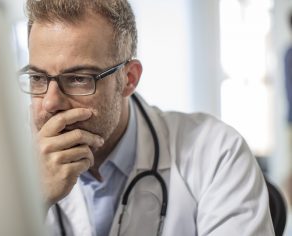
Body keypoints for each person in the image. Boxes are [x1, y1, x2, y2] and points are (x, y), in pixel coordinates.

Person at [19, 0, 275, 235]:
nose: (51, 102)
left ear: (129, 79)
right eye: (37, 78)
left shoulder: (216, 153)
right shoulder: (5, 165)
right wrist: (33, 201)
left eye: (78, 79)